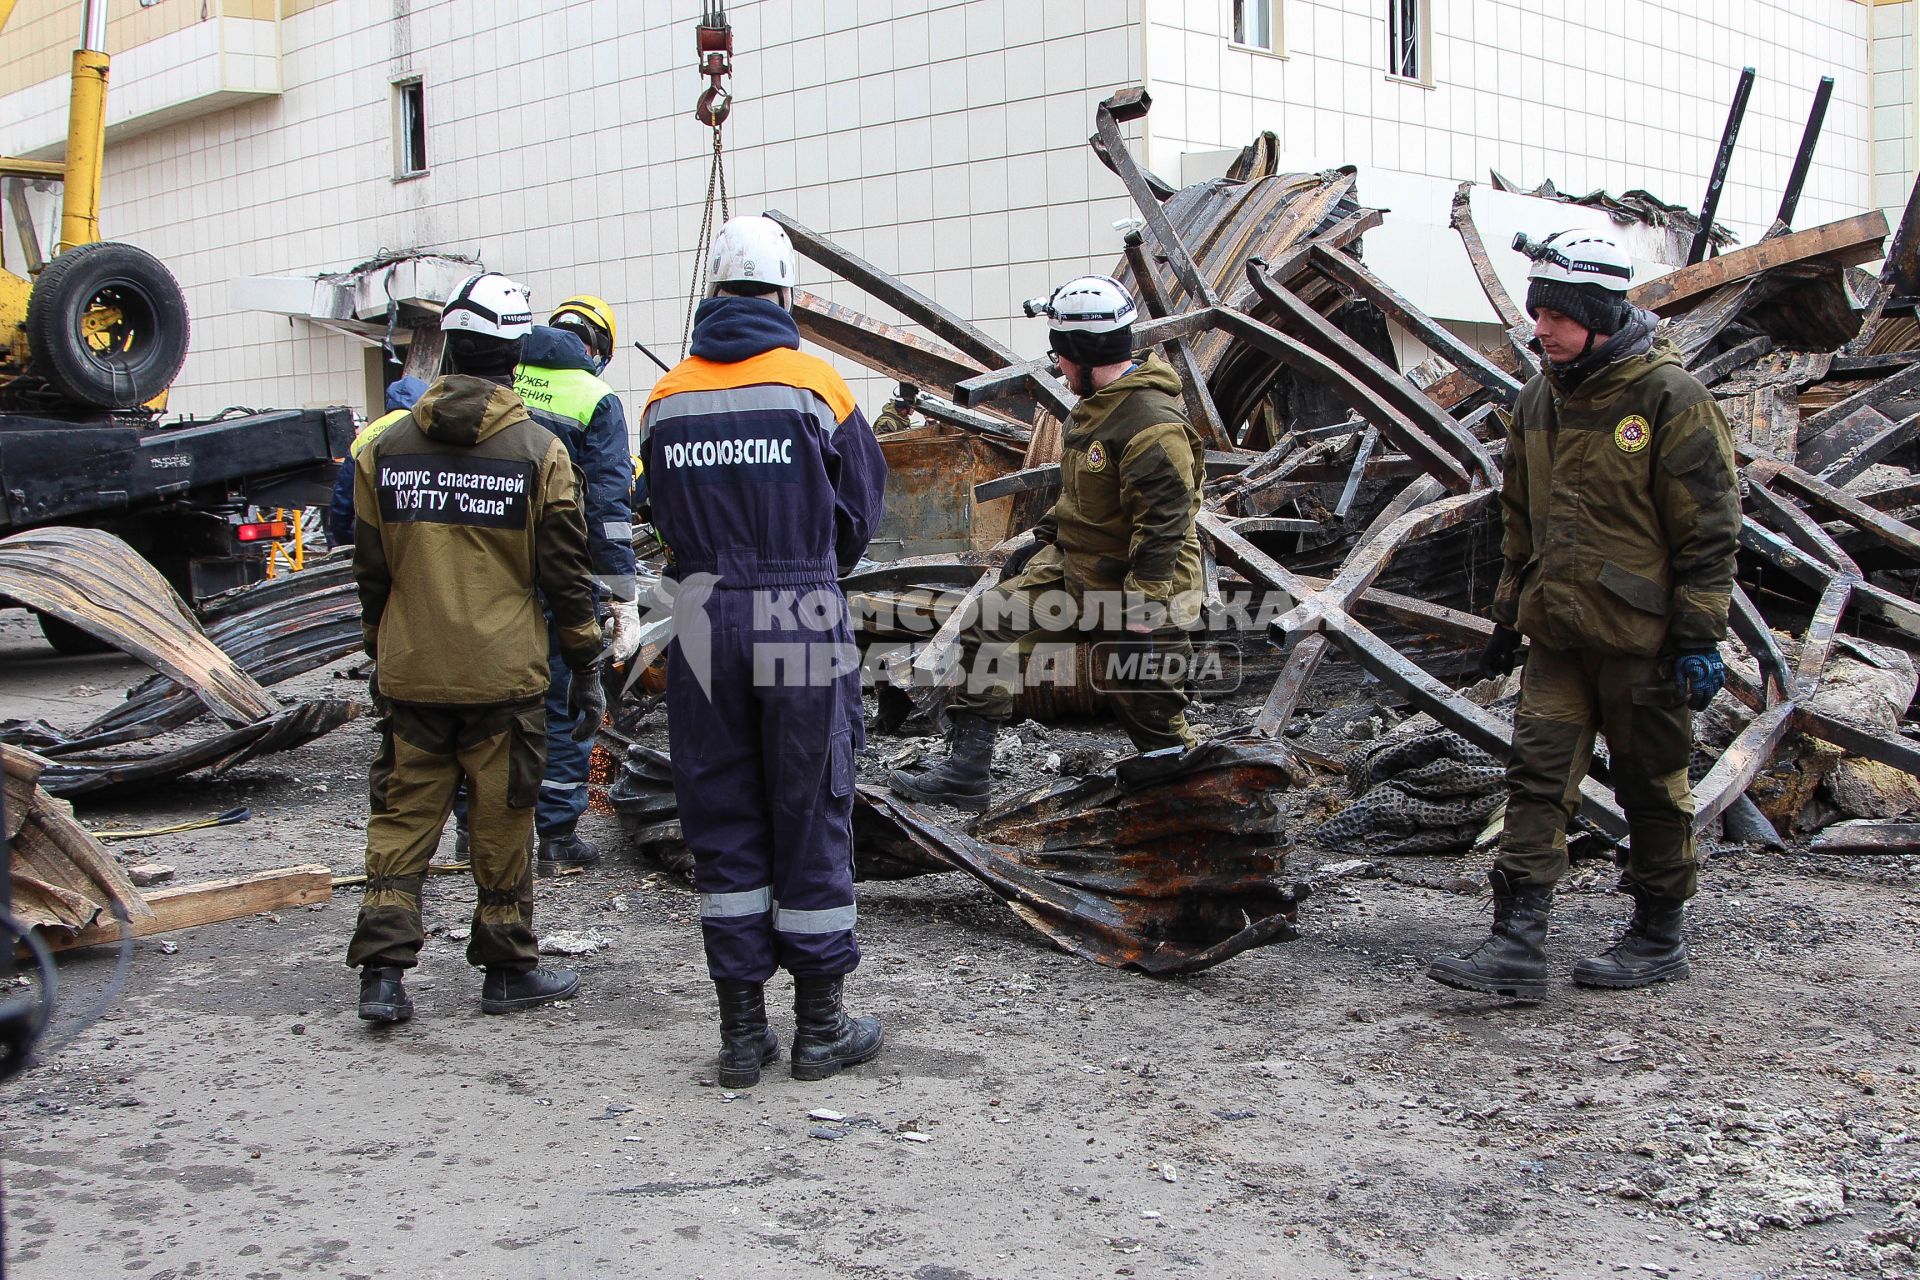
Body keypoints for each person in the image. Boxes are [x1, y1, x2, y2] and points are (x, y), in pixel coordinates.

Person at [1427, 230, 1740, 1002]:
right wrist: (1508, 616)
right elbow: (1519, 520)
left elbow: (1709, 528)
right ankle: (1516, 945)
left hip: (1645, 642)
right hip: (1559, 638)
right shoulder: (1538, 400)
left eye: (1558, 317)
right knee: (1535, 780)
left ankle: (1658, 934)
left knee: (1652, 786)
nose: (1542, 329)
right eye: (1537, 315)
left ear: (1600, 314)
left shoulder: (1670, 399)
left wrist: (1699, 636)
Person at [639, 215, 888, 1086]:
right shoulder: (816, 385)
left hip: (702, 614)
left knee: (720, 806)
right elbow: (861, 505)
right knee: (811, 798)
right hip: (797, 605)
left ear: (713, 294)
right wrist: (813, 571)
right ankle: (821, 1026)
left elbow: (658, 513)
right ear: (784, 295)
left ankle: (742, 1034)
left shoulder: (665, 397)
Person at [347, 271, 607, 1023]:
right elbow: (566, 575)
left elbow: (370, 572)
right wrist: (586, 664)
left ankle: (384, 976)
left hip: (411, 673)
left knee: (402, 820)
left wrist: (381, 648)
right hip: (504, 680)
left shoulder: (382, 447)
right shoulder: (540, 452)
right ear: (515, 353)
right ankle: (505, 970)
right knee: (502, 820)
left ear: (448, 348)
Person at [888, 274, 1206, 812]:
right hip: (1082, 572)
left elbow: (1165, 525)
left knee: (1153, 721)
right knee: (990, 620)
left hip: (1144, 590)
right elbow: (1086, 496)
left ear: (1083, 351)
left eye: (1059, 353)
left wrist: (1142, 608)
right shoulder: (1098, 405)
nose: (1056, 364)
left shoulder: (1150, 423)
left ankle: (1208, 804)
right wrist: (1044, 535)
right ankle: (966, 774)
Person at [513, 296, 642, 871]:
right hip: (564, 576)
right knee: (566, 703)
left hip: (490, 574)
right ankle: (557, 837)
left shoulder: (503, 377)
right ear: (599, 349)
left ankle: (473, 831)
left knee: (491, 704)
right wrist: (622, 593)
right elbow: (609, 511)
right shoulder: (595, 398)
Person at [326, 376, 428, 547]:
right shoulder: (424, 429)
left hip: (377, 536)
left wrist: (347, 541)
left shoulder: (366, 434)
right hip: (419, 538)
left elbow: (343, 500)